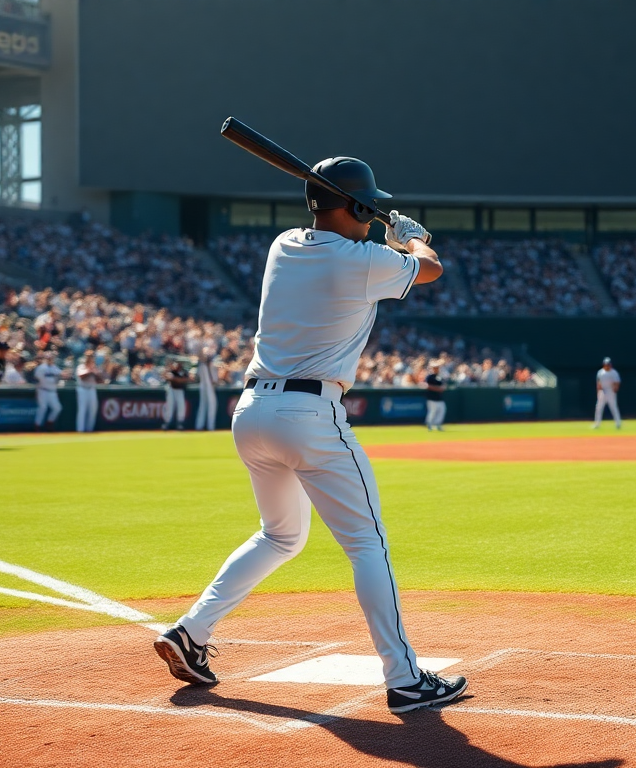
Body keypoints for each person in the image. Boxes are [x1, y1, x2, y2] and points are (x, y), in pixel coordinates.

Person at [153, 156, 466, 714]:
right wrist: (412, 237)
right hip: (310, 414)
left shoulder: (284, 244)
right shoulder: (363, 259)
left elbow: (347, 237)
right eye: (366, 207)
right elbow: (432, 269)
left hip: (252, 411)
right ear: (355, 206)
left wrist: (378, 229)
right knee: (367, 543)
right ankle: (405, 678)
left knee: (280, 536)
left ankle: (191, 632)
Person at [32, 353, 64, 431]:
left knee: (57, 408)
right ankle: (37, 426)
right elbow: (36, 379)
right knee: (42, 408)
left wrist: (64, 374)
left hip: (52, 391)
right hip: (43, 390)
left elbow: (62, 374)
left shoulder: (55, 368)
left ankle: (49, 423)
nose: (50, 359)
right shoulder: (41, 368)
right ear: (45, 359)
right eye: (48, 358)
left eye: (51, 358)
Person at [592, 357, 621, 429]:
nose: (607, 365)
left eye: (608, 364)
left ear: (610, 365)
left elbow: (617, 382)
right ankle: (597, 424)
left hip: (610, 390)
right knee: (599, 408)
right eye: (606, 364)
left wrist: (615, 389)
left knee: (613, 407)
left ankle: (618, 424)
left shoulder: (614, 372)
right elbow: (598, 382)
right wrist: (598, 391)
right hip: (602, 391)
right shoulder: (600, 372)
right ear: (603, 364)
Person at [194, 349, 219, 431]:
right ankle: (205, 426)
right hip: (207, 387)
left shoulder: (209, 365)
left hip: (207, 386)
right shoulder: (203, 365)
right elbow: (214, 379)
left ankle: (205, 426)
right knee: (207, 406)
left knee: (205, 406)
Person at [75, 354, 100, 433]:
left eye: (91, 357)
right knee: (82, 410)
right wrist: (90, 371)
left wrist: (95, 373)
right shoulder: (81, 367)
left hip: (92, 389)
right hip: (83, 389)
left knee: (93, 410)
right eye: (89, 357)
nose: (90, 359)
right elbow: (81, 376)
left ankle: (89, 430)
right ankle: (80, 431)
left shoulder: (94, 367)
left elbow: (100, 380)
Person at [162, 361, 190, 430]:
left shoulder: (184, 372)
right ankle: (167, 422)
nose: (178, 365)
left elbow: (185, 380)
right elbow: (166, 377)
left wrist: (175, 379)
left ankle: (180, 423)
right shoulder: (172, 371)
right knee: (169, 406)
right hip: (172, 390)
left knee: (181, 406)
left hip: (180, 390)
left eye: (180, 363)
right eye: (177, 364)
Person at [424, 360, 446, 431]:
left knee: (442, 410)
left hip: (439, 397)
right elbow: (427, 386)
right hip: (432, 398)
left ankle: (438, 424)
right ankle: (429, 424)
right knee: (432, 412)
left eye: (437, 367)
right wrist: (437, 389)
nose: (436, 369)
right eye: (435, 367)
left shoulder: (440, 376)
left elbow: (443, 386)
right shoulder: (430, 377)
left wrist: (441, 388)